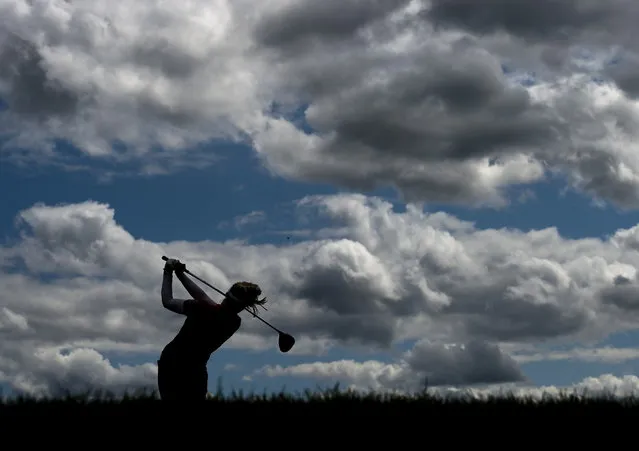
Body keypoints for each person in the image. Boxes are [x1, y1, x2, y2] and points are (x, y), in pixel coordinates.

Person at [157, 257, 267, 402]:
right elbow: (203, 297)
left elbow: (168, 301)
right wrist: (180, 274)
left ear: (226, 296)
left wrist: (168, 271)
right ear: (243, 307)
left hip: (172, 362)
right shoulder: (234, 322)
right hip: (196, 369)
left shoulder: (201, 308)